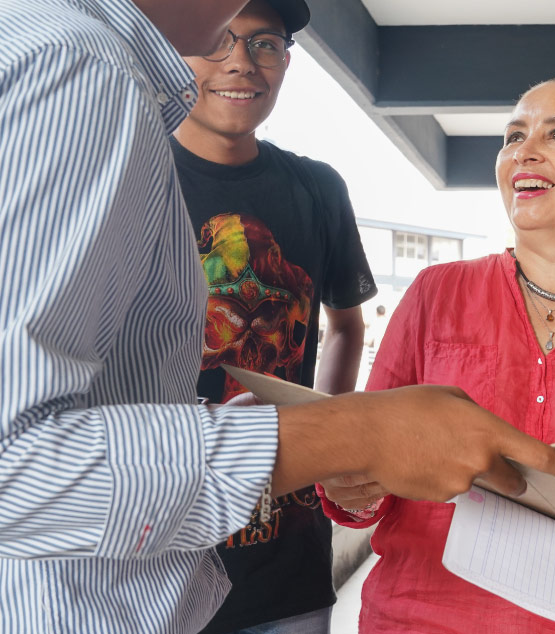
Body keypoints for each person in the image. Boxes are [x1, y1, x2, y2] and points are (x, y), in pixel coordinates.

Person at [0, 0, 555, 630]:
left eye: (266, 43)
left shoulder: (14, 50)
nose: (241, 58)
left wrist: (297, 433)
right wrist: (355, 431)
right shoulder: (75, 71)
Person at [318, 75, 555, 634]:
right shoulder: (436, 293)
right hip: (418, 617)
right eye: (513, 136)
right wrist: (350, 487)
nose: (523, 151)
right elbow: (367, 466)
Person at [169, 1, 373, 631]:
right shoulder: (131, 177)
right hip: (156, 563)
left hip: (289, 570)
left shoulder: (317, 189)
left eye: (264, 43)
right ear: (176, 48)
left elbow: (345, 323)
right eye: (218, 41)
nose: (241, 62)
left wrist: (327, 438)